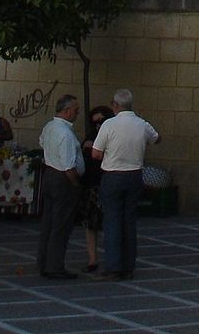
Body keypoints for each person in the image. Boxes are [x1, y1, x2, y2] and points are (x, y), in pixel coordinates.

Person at [92, 88, 161, 281]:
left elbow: (96, 153)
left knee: (112, 220)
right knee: (129, 221)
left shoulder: (109, 124)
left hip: (113, 175)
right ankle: (128, 266)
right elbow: (157, 138)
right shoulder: (141, 124)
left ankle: (113, 266)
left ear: (115, 105)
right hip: (134, 175)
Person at [38, 93, 84, 279]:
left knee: (48, 222)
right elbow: (68, 166)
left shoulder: (50, 127)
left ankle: (44, 262)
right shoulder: (65, 133)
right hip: (62, 178)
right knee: (60, 225)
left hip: (50, 173)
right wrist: (76, 185)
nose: (77, 112)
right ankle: (55, 265)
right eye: (75, 109)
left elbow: (41, 142)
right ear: (66, 111)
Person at [77, 104, 114, 272]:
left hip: (106, 182)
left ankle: (111, 258)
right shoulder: (91, 135)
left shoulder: (112, 135)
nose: (98, 125)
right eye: (95, 122)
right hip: (91, 184)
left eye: (101, 121)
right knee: (90, 224)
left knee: (108, 223)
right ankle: (92, 260)